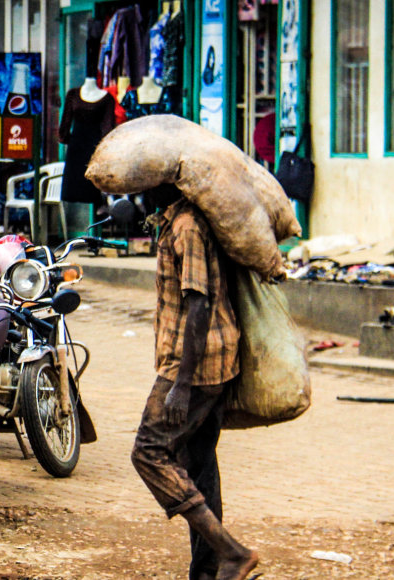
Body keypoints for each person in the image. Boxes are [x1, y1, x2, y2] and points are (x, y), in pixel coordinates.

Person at [130, 183, 258, 580]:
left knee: (149, 452)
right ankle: (207, 571)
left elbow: (198, 303)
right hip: (211, 360)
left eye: (145, 181)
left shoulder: (186, 226)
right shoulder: (179, 221)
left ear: (165, 183)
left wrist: (181, 384)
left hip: (196, 366)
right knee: (199, 464)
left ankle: (232, 552)